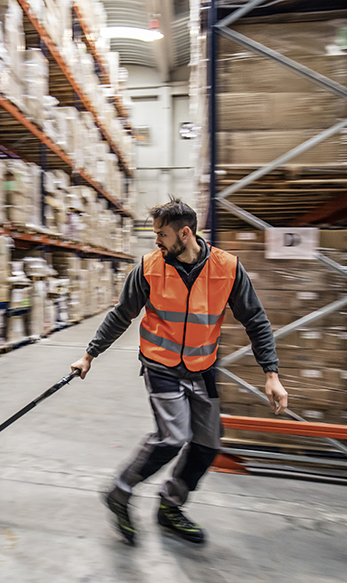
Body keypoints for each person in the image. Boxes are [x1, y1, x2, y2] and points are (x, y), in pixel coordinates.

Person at [70, 199, 287, 545]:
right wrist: (89, 355)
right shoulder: (149, 267)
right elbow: (122, 314)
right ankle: (120, 492)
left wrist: (271, 373)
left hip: (202, 367)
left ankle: (170, 506)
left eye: (162, 234)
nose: (156, 240)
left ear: (185, 234)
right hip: (161, 365)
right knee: (172, 437)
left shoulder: (227, 268)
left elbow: (256, 320)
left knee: (208, 443)